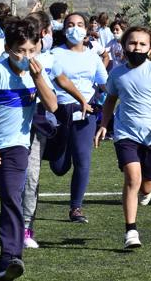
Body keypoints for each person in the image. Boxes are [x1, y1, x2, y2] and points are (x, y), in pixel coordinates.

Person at [0, 17, 57, 281]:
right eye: (20, 51)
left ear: (39, 46)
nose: (26, 56)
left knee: (11, 197)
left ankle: (10, 258)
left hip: (17, 146)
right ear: (8, 49)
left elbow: (52, 105)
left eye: (31, 50)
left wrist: (39, 78)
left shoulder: (37, 73)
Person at [94, 25, 151, 249]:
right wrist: (104, 125)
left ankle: (145, 193)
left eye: (142, 44)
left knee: (146, 186)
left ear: (150, 47)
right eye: (132, 43)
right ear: (124, 45)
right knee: (133, 178)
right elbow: (111, 100)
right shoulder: (116, 73)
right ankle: (131, 231)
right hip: (125, 133)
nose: (137, 47)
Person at [21, 11, 91, 248]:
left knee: (32, 177)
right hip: (14, 127)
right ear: (45, 33)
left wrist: (81, 99)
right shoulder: (11, 58)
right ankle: (18, 222)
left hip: (39, 124)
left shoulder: (50, 59)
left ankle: (25, 228)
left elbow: (62, 80)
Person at [48, 12, 108, 223]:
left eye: (80, 24)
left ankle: (76, 208)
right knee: (59, 167)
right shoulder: (54, 54)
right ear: (64, 30)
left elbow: (104, 83)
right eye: (71, 25)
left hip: (86, 113)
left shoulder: (92, 56)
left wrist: (103, 102)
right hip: (60, 113)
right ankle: (59, 153)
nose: (76, 28)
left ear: (86, 29)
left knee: (83, 159)